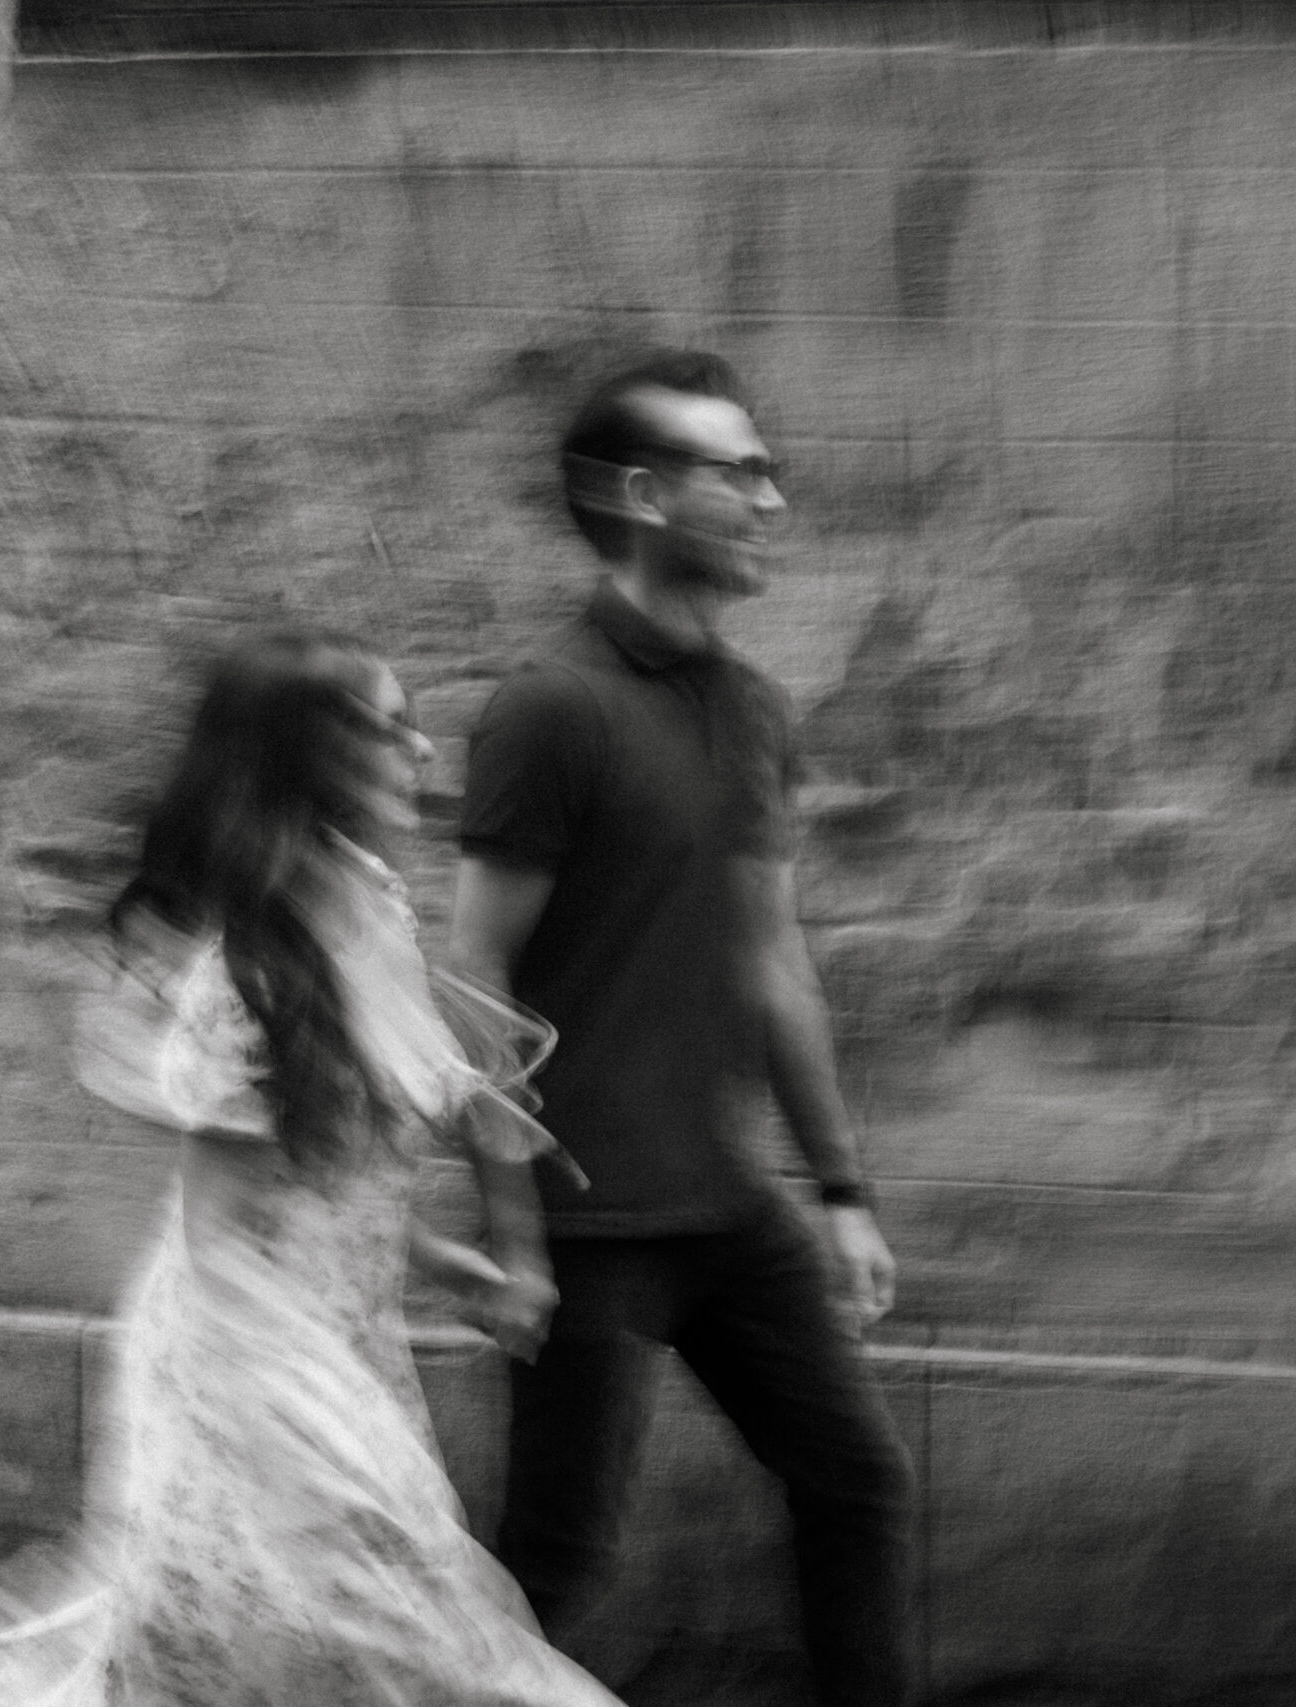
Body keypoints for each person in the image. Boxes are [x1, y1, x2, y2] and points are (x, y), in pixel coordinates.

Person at [0, 629, 616, 1707]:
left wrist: (439, 1260)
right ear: (311, 759)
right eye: (388, 730)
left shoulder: (365, 910)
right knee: (401, 1640)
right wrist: (310, 1425)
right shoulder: (246, 984)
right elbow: (224, 1243)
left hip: (327, 1348)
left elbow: (326, 1176)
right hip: (246, 1367)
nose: (422, 751)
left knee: (265, 1656)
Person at [453, 353, 917, 1707]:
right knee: (557, 1559)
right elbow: (472, 970)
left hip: (728, 1206)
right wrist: (512, 1227)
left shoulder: (755, 708)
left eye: (771, 473)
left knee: (857, 1479)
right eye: (742, 472)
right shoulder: (549, 705)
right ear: (644, 496)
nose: (773, 500)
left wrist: (840, 1190)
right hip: (589, 1221)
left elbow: (773, 958)